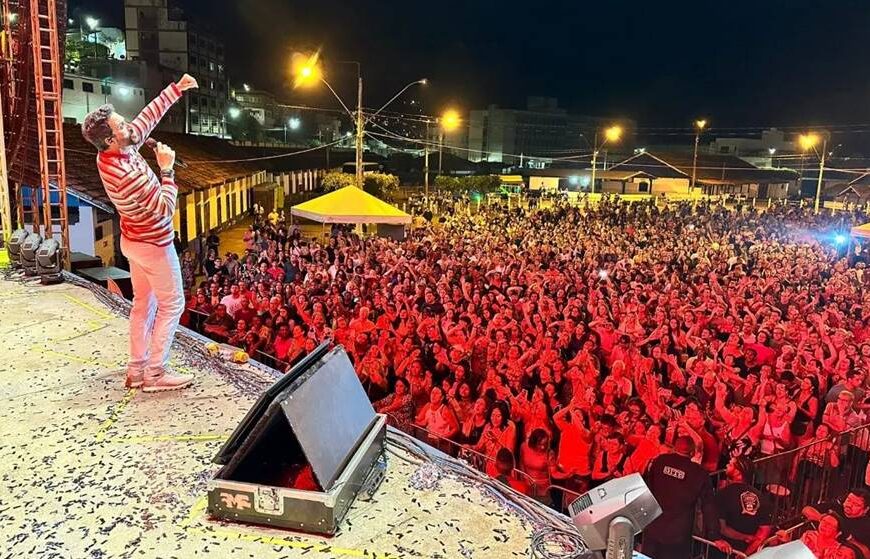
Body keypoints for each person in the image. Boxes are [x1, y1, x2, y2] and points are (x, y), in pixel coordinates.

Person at [82, 73, 199, 392]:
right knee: (172, 304)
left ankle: (136, 370)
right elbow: (164, 208)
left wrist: (175, 89)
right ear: (110, 139)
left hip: (133, 241)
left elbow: (145, 120)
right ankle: (156, 373)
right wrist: (167, 169)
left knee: (143, 304)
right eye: (122, 126)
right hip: (154, 245)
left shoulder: (112, 151)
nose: (129, 126)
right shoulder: (125, 174)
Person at [642, 437, 728, 559]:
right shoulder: (699, 473)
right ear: (692, 453)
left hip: (653, 527)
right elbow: (708, 505)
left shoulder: (660, 461)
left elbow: (648, 490)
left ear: (674, 448)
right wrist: (715, 536)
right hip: (678, 533)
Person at [715, 457, 773, 556]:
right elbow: (763, 532)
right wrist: (747, 554)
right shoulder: (761, 497)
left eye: (731, 464)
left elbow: (721, 527)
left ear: (738, 473)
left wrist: (744, 537)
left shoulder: (723, 494)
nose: (726, 465)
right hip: (747, 551)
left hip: (725, 550)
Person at [803, 489, 870, 556]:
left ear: (866, 509)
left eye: (855, 504)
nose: (849, 505)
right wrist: (823, 519)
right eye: (849, 500)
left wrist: (850, 539)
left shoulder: (866, 526)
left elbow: (867, 554)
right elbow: (806, 510)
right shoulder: (836, 507)